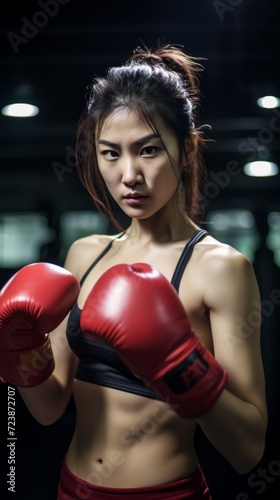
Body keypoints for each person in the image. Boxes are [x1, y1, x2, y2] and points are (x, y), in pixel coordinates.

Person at [0, 43, 267, 500]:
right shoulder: (85, 255)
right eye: (110, 153)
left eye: (147, 150)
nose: (129, 175)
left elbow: (248, 450)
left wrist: (180, 365)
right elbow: (49, 408)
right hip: (72, 489)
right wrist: (17, 347)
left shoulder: (220, 269)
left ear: (186, 149)